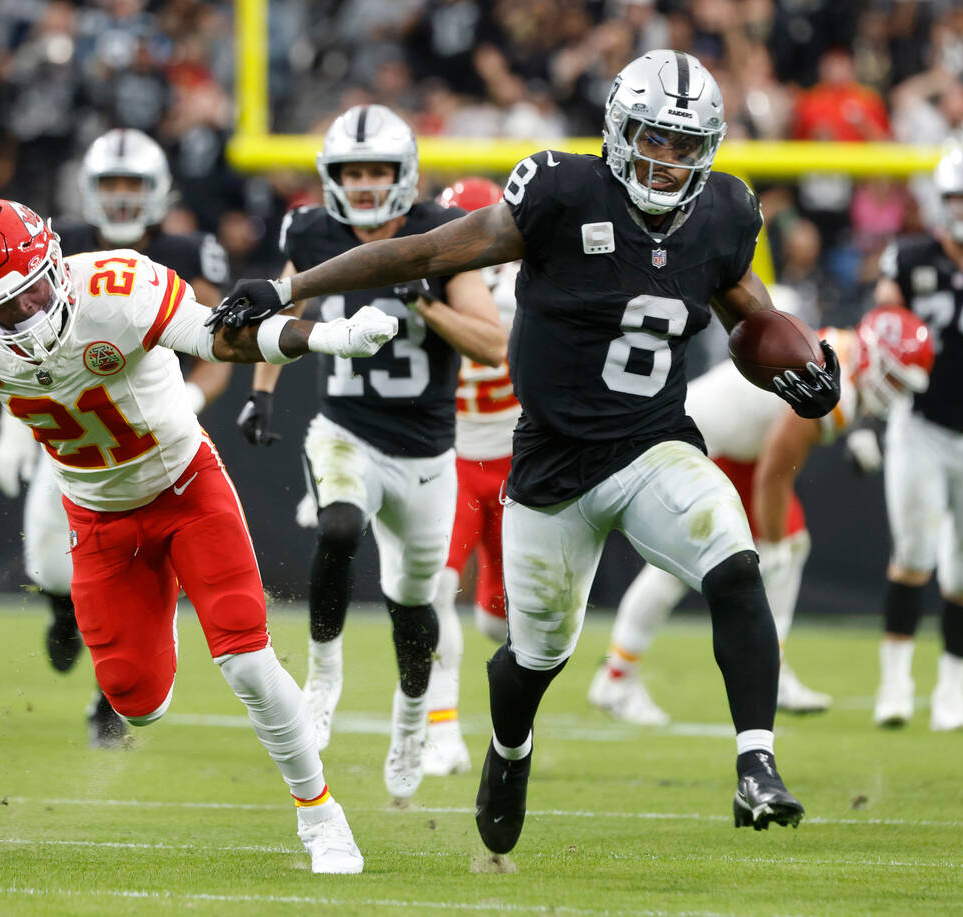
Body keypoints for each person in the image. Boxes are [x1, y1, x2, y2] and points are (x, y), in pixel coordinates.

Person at [209, 50, 844, 852]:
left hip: (653, 443)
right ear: (619, 129)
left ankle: (757, 764)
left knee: (735, 559)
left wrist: (806, 370)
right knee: (533, 659)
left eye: (686, 145)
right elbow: (424, 254)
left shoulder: (722, 212)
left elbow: (751, 315)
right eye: (653, 137)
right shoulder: (559, 193)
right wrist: (292, 287)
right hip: (551, 468)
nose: (667, 159)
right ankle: (510, 754)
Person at [0, 197, 401, 873]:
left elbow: (222, 337)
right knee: (137, 704)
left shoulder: (119, 287)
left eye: (34, 292)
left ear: (55, 263)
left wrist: (321, 336)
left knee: (246, 661)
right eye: (6, 309)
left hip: (186, 488)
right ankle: (161, 605)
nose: (28, 315)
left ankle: (321, 816)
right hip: (96, 516)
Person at [234, 105, 506, 800]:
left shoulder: (440, 238)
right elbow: (283, 315)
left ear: (404, 174)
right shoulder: (314, 232)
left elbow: (492, 342)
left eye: (376, 171)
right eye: (351, 171)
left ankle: (413, 718)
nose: (361, 183)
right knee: (338, 527)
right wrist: (263, 391)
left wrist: (428, 305)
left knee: (414, 603)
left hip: (426, 453)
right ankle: (323, 678)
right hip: (344, 430)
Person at [0, 127, 233, 748]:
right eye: (110, 185)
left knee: (140, 574)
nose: (122, 198)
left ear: (159, 191)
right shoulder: (50, 247)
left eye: (133, 185)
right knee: (47, 561)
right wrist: (11, 427)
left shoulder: (186, 247)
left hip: (149, 435)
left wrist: (194, 398)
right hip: (72, 430)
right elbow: (8, 347)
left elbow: (221, 342)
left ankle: (109, 701)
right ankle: (62, 610)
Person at [589, 302, 933, 725]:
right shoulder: (826, 381)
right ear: (875, 356)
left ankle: (773, 666)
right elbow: (774, 473)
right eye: (894, 377)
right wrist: (769, 546)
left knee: (790, 545)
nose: (895, 391)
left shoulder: (839, 355)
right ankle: (617, 677)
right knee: (689, 566)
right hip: (698, 443)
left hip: (727, 444)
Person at [873, 140, 963, 732]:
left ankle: (952, 695)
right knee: (912, 554)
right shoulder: (910, 256)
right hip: (922, 423)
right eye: (959, 196)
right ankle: (895, 686)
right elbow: (882, 324)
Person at [421, 176, 520, 777]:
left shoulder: (522, 290)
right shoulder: (434, 289)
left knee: (501, 620)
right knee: (434, 589)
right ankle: (442, 729)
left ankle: (505, 736)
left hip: (515, 465)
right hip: (453, 461)